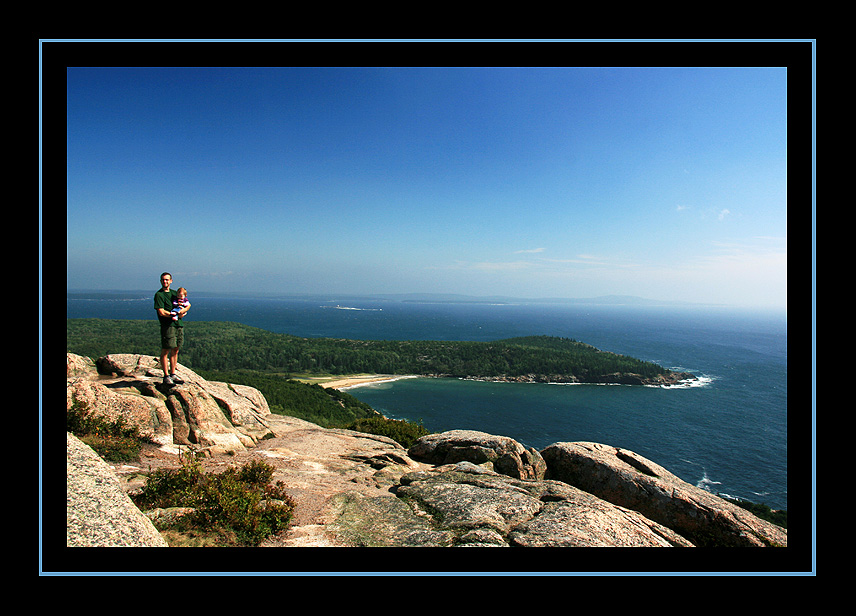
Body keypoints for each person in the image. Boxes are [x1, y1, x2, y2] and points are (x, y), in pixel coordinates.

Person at [153, 272, 190, 386]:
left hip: (178, 324)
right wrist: (173, 315)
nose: (165, 282)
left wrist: (182, 312)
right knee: (166, 350)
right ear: (161, 281)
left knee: (176, 349)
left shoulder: (175, 293)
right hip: (167, 325)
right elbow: (161, 311)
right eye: (163, 280)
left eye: (167, 280)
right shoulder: (159, 295)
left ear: (171, 281)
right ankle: (166, 375)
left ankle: (173, 373)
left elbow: (187, 304)